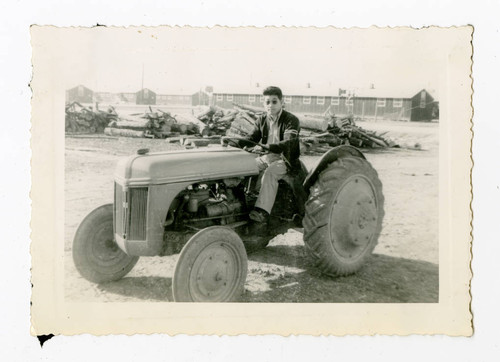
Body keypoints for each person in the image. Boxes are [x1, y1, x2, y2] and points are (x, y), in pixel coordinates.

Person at [243, 86, 301, 226]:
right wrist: (235, 143)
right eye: (267, 102)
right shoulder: (261, 120)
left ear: (282, 102)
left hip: (285, 159)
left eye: (274, 102)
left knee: (270, 172)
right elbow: (251, 138)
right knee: (245, 167)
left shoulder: (291, 120)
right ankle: (244, 202)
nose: (270, 105)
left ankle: (262, 212)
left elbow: (288, 142)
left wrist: (270, 147)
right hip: (267, 157)